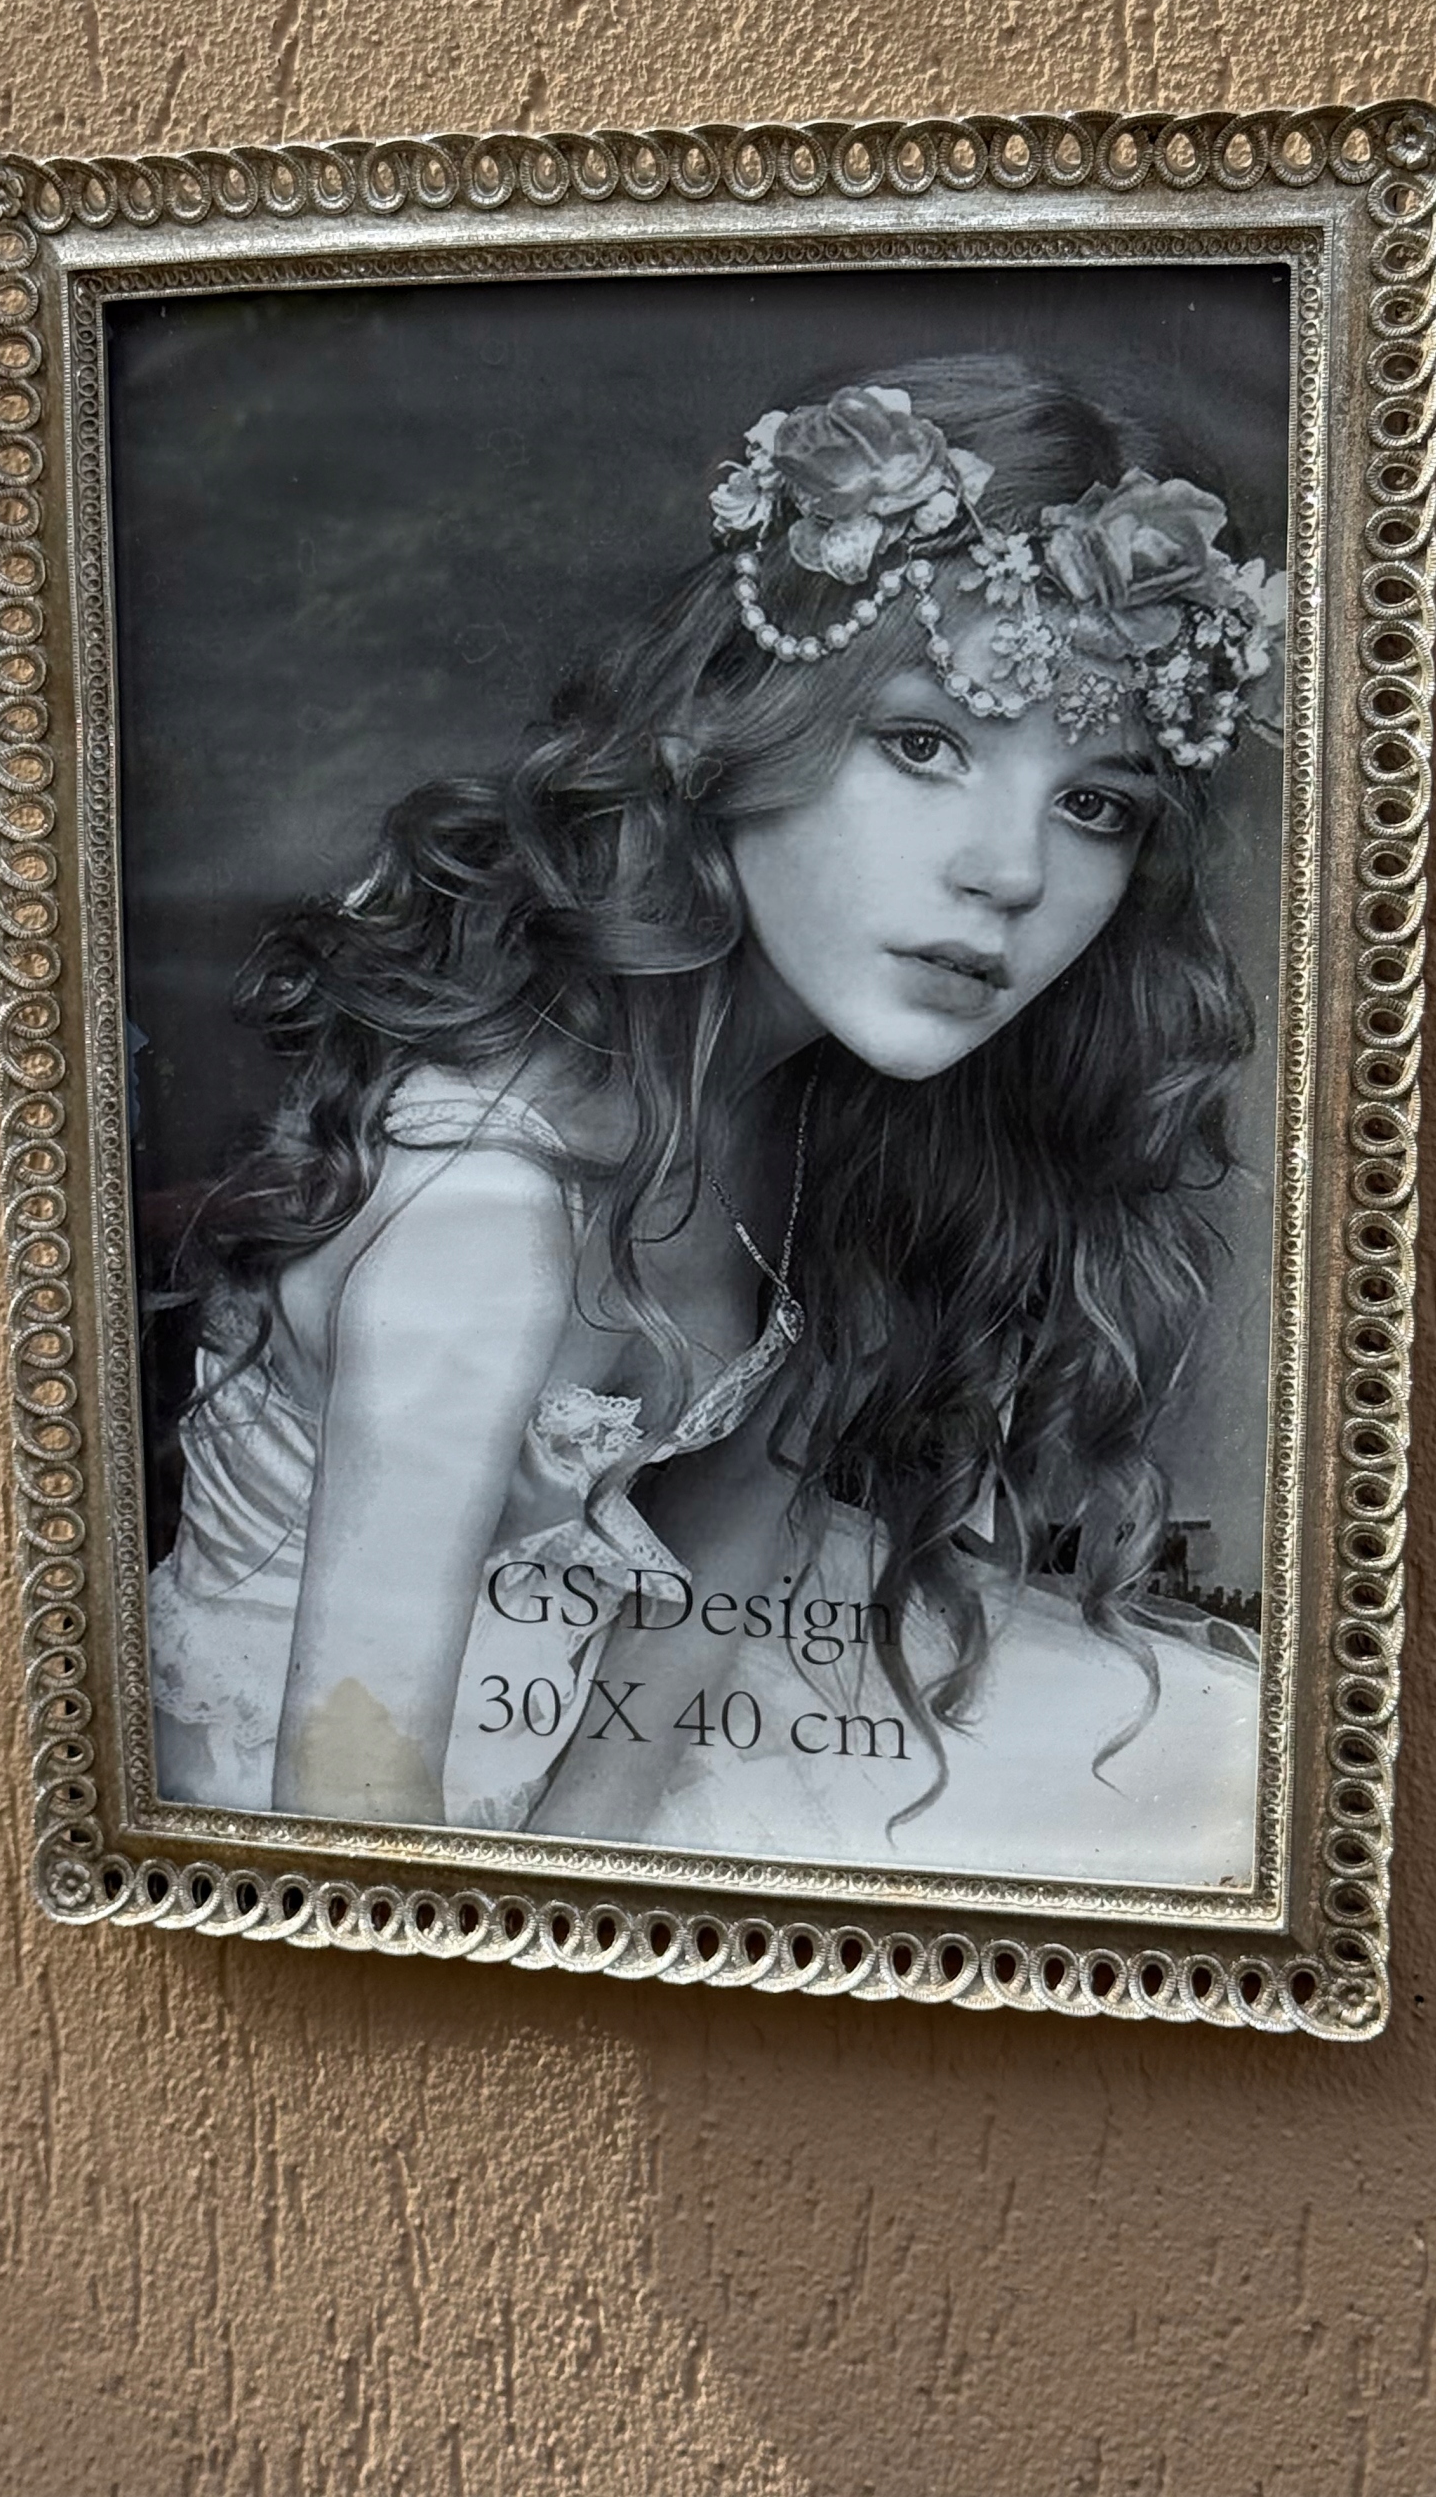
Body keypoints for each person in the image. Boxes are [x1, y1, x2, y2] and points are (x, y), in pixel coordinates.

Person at [146, 355, 1284, 1887]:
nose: (1011, 874)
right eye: (924, 743)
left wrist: (616, 1829)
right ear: (723, 735)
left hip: (602, 1726)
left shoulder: (815, 1112)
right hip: (370, 1803)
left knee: (1239, 1768)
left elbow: (712, 1570)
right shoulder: (481, 1218)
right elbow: (344, 1831)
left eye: (1099, 803)